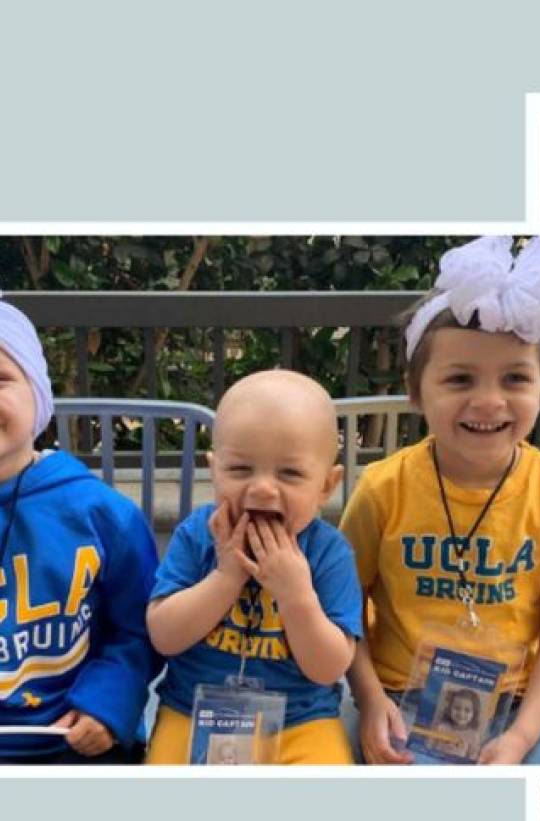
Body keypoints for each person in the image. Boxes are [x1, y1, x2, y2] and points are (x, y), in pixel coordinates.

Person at [339, 235, 540, 766]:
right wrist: (369, 701)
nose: (488, 400)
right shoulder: (382, 489)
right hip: (398, 697)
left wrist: (522, 737)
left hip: (518, 704)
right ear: (416, 392)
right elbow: (342, 613)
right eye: (459, 379)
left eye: (515, 378)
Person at [145, 370, 361, 765]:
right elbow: (163, 636)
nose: (262, 488)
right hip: (193, 710)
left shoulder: (330, 554)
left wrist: (296, 596)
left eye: (290, 473)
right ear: (215, 470)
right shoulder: (197, 536)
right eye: (241, 469)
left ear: (327, 486)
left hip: (302, 718)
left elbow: (329, 668)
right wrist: (226, 577)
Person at [0, 294, 157, 764]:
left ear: (38, 396)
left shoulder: (102, 514)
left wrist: (110, 706)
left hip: (75, 740)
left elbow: (141, 629)